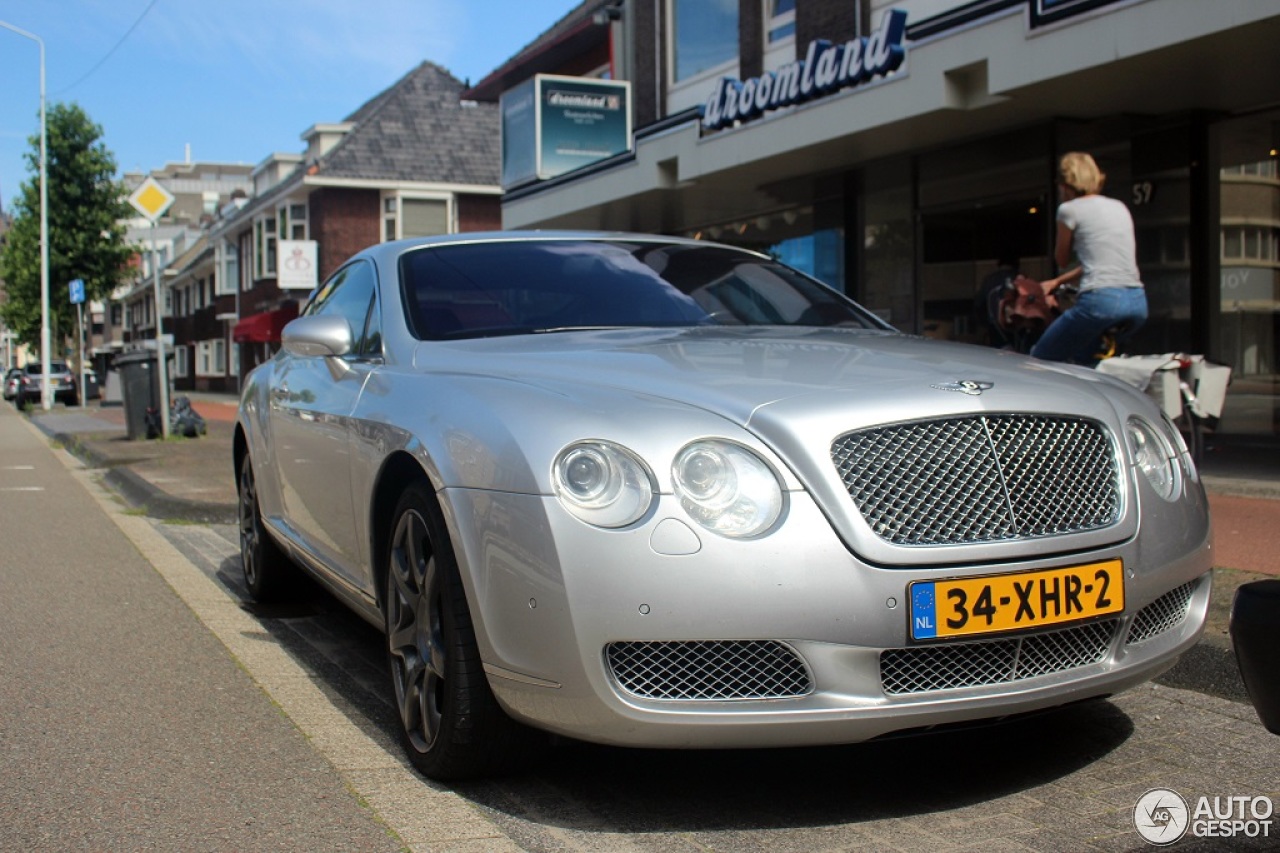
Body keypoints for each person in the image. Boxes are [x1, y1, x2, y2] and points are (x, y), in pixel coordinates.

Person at [1030, 152, 1147, 366]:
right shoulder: (1119, 206)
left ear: (1065, 185)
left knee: (1040, 359)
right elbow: (1103, 260)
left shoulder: (1068, 210)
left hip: (1101, 301)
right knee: (1088, 362)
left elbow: (1062, 259)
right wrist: (1058, 282)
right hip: (1137, 301)